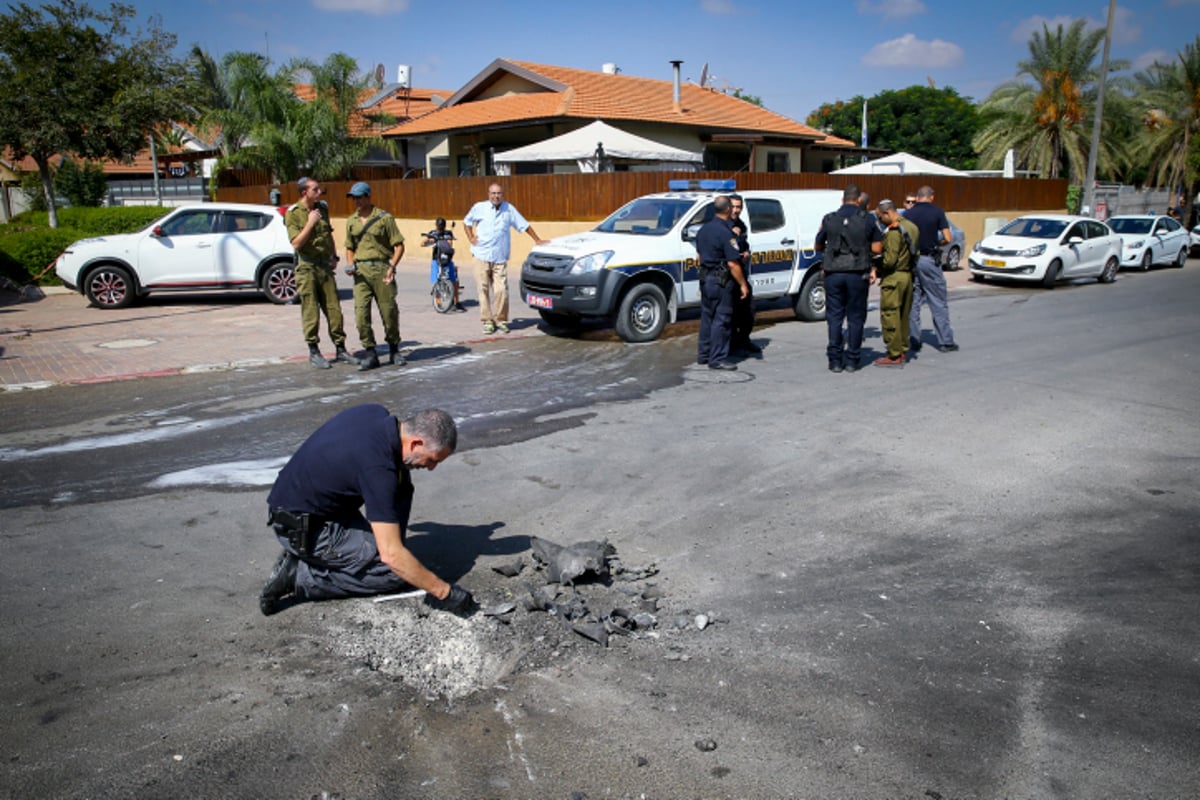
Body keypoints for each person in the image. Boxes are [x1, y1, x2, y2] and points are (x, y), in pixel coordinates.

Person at [259, 405, 474, 617]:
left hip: (309, 503)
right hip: (302, 527)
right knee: (392, 574)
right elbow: (391, 557)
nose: (431, 468)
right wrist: (444, 592)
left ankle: (366, 549)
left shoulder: (374, 413)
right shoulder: (379, 470)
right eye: (432, 459)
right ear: (416, 443)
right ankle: (299, 576)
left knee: (402, 481)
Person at [285, 177, 354, 369]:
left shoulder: (322, 208)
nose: (319, 192)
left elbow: (328, 233)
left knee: (334, 309)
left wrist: (334, 256)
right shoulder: (293, 213)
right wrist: (310, 223)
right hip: (307, 267)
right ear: (304, 193)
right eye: (315, 190)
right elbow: (296, 243)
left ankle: (341, 349)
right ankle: (314, 352)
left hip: (324, 267)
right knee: (311, 311)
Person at [814, 184, 882, 373]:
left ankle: (835, 360)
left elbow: (818, 246)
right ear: (859, 200)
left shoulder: (829, 219)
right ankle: (852, 360)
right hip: (857, 273)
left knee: (834, 317)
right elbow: (877, 249)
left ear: (842, 200)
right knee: (855, 318)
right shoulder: (867, 219)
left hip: (833, 273)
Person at [463, 183, 547, 335]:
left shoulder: (509, 209)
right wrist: (470, 237)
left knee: (501, 290)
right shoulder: (479, 207)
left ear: (503, 195)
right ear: (488, 194)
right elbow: (467, 222)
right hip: (481, 254)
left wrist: (537, 239)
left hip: (499, 256)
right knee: (483, 289)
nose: (496, 196)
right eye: (493, 193)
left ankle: (501, 320)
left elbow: (523, 225)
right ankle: (488, 321)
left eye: (499, 193)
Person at [343, 182, 405, 371]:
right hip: (361, 272)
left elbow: (399, 246)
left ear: (369, 196)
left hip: (381, 269)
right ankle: (370, 353)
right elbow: (349, 247)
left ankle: (394, 349)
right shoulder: (351, 221)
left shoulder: (384, 218)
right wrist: (350, 264)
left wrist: (392, 266)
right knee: (361, 314)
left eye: (360, 197)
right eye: (354, 198)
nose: (357, 201)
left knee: (389, 311)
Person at [695, 195, 750, 371]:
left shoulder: (703, 230)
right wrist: (743, 284)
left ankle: (704, 354)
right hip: (721, 280)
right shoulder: (726, 233)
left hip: (705, 279)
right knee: (722, 319)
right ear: (727, 209)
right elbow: (733, 263)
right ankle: (717, 358)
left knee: (707, 317)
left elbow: (700, 256)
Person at [905, 185, 958, 353]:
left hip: (911, 261)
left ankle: (914, 339)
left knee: (913, 301)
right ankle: (945, 341)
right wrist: (937, 244)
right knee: (937, 300)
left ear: (918, 197)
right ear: (932, 197)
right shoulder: (937, 212)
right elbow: (948, 238)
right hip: (929, 259)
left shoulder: (908, 214)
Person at [871, 199, 918, 367]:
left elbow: (889, 261)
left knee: (890, 315)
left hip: (894, 277)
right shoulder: (912, 227)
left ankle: (894, 354)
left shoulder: (893, 232)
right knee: (904, 315)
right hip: (907, 275)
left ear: (887, 213)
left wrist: (876, 264)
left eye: (880, 217)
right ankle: (903, 349)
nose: (880, 221)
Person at [728, 194, 761, 355]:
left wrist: (745, 252)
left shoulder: (742, 225)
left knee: (748, 310)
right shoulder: (723, 225)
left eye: (739, 207)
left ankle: (745, 339)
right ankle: (732, 343)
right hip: (728, 276)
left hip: (742, 272)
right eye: (733, 206)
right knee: (731, 312)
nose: (736, 210)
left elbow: (743, 245)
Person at [422, 217, 464, 312]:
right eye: (439, 226)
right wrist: (430, 241)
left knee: (454, 281)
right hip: (436, 259)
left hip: (447, 258)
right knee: (437, 281)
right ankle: (438, 302)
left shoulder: (448, 233)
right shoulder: (432, 233)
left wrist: (441, 240)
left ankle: (456, 302)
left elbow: (450, 244)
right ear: (436, 225)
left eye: (442, 226)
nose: (440, 228)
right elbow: (423, 243)